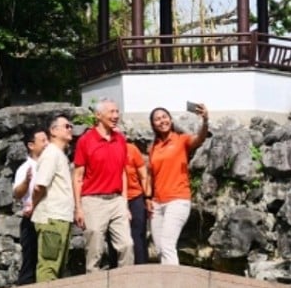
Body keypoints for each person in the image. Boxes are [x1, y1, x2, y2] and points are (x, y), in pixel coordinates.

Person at [73, 99, 134, 271]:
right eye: (111, 112)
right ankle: (93, 287)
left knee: (127, 245)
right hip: (93, 200)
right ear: (98, 115)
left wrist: (125, 203)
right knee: (95, 250)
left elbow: (122, 172)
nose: (115, 116)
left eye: (117, 111)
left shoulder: (120, 139)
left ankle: (124, 286)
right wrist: (78, 207)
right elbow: (78, 176)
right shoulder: (86, 140)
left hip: (116, 200)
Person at [147, 103, 209, 265]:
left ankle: (174, 287)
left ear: (170, 119)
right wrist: (148, 198)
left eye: (164, 117)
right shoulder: (153, 147)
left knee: (167, 245)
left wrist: (205, 120)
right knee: (160, 249)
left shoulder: (181, 140)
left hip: (178, 199)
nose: (162, 121)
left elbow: (200, 138)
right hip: (157, 203)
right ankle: (166, 285)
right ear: (153, 124)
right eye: (157, 119)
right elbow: (150, 175)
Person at [32, 115, 76, 282]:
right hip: (52, 218)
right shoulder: (51, 154)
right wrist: (33, 205)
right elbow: (40, 186)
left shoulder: (59, 154)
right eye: (66, 126)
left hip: (61, 217)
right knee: (49, 267)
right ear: (53, 131)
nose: (70, 129)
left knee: (58, 266)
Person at [12, 127, 48, 285]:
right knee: (30, 258)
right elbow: (17, 193)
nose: (47, 144)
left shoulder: (51, 163)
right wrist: (27, 181)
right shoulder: (25, 168)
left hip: (48, 215)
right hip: (31, 218)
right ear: (31, 145)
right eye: (43, 141)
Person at [124, 142, 151, 265]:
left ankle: (142, 268)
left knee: (138, 235)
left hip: (135, 197)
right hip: (116, 199)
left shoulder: (131, 149)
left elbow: (144, 175)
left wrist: (147, 197)